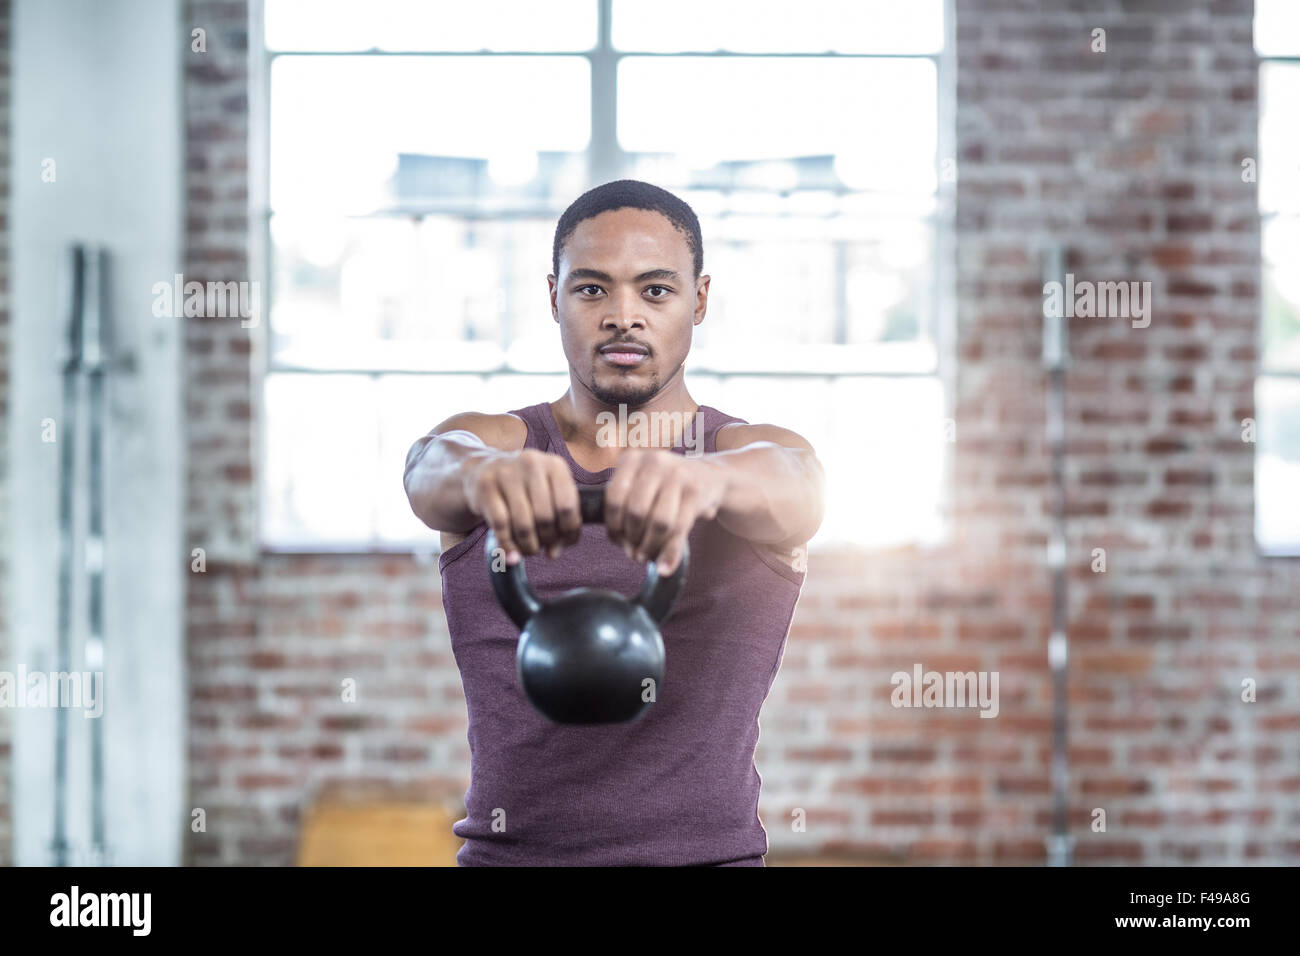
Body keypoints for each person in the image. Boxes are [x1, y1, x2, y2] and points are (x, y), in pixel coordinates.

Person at [403, 179, 825, 866]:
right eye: (592, 289)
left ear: (700, 299)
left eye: (654, 291)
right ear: (553, 298)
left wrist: (701, 479)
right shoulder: (492, 443)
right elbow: (427, 468)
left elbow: (802, 486)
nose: (622, 316)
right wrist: (489, 476)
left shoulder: (747, 455)